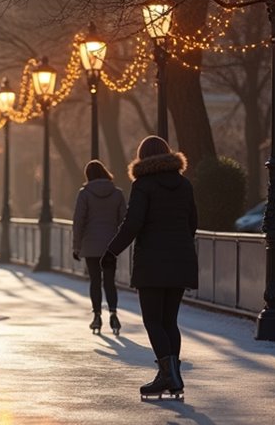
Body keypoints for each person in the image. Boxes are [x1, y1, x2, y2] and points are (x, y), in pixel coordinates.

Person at [104, 136, 197, 400]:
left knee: (153, 320)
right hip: (181, 260)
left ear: (142, 157)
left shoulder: (143, 185)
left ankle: (168, 375)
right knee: (170, 321)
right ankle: (171, 375)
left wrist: (111, 252)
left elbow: (133, 223)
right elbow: (192, 222)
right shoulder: (184, 184)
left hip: (152, 263)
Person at [72, 160, 126, 335]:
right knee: (110, 281)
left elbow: (79, 222)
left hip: (91, 244)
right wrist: (119, 241)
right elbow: (123, 220)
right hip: (110, 245)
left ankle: (96, 316)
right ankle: (113, 314)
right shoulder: (117, 194)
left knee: (95, 281)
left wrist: (76, 246)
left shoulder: (84, 194)